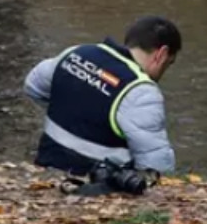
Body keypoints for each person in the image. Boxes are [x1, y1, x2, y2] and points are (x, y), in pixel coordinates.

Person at [23, 16, 180, 178]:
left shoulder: (77, 53)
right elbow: (156, 164)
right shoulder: (141, 91)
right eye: (169, 63)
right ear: (161, 54)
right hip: (95, 186)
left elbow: (32, 86)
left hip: (45, 169)